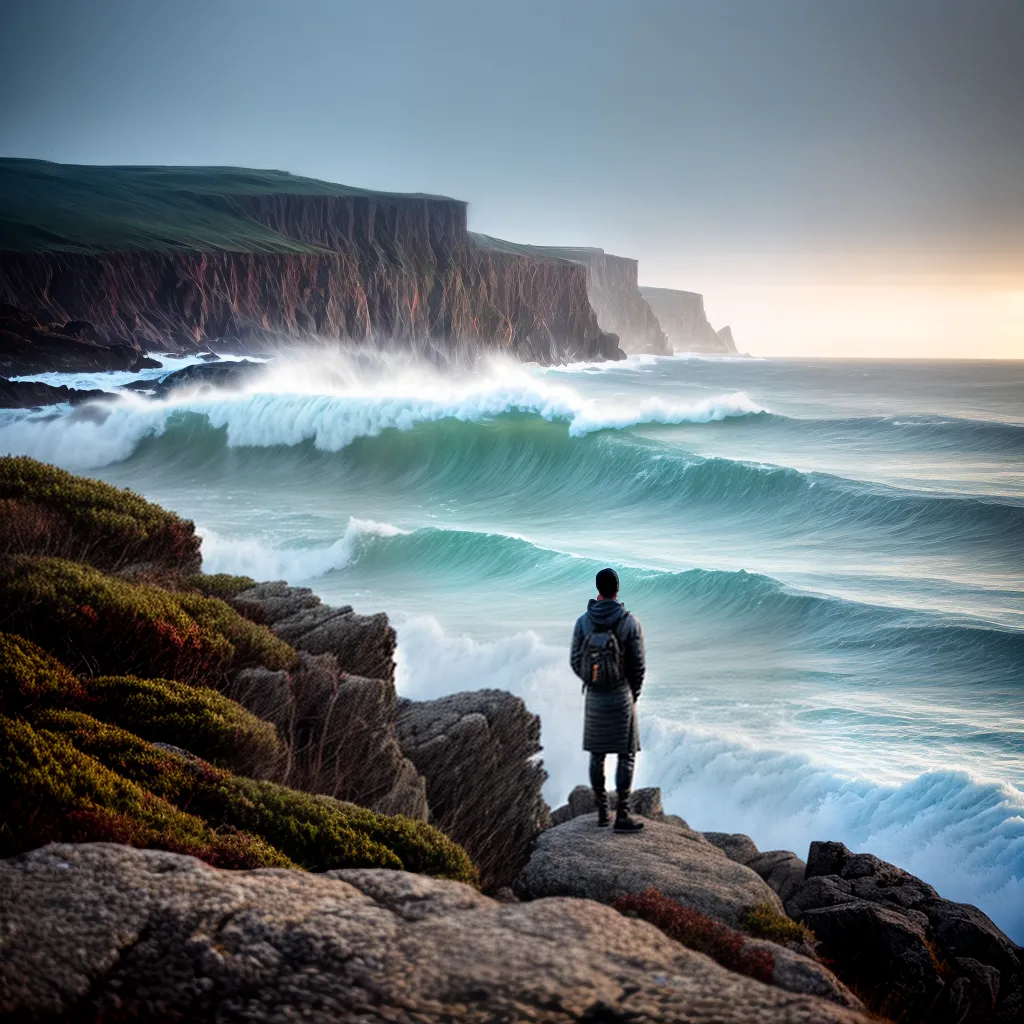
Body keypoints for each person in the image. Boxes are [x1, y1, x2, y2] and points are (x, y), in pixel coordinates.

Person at [570, 567, 646, 832]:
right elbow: (638, 666)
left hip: (594, 698)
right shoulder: (629, 621)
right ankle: (622, 815)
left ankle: (603, 813)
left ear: (598, 590)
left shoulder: (583, 621)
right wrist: (632, 694)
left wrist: (592, 681)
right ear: (617, 589)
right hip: (621, 695)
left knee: (597, 755)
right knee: (626, 755)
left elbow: (575, 660)